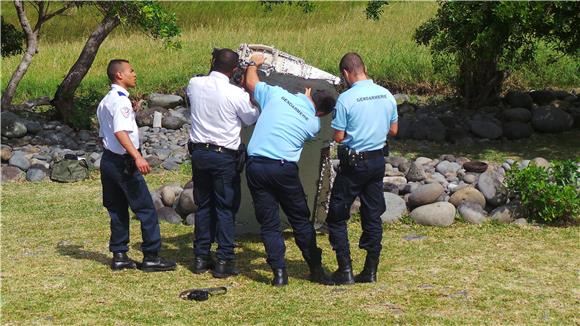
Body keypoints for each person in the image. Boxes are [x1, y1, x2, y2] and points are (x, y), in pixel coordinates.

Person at [244, 53, 337, 287]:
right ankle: (315, 269)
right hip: (284, 170)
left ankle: (279, 273)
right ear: (322, 113)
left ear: (308, 91)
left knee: (269, 222)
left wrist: (254, 62)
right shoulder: (313, 123)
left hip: (257, 165)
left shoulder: (276, 95)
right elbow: (308, 116)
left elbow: (251, 83)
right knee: (300, 220)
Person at [326, 52, 398, 284]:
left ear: (346, 73)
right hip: (377, 161)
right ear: (364, 68)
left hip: (354, 164)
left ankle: (344, 269)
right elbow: (394, 130)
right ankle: (371, 269)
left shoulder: (346, 99)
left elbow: (338, 136)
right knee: (373, 214)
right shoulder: (386, 95)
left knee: (337, 214)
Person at [187, 48, 259, 278]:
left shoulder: (194, 84)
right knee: (225, 208)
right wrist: (249, 93)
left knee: (204, 205)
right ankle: (224, 259)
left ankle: (200, 257)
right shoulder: (235, 94)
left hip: (199, 153)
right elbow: (250, 117)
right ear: (235, 70)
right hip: (223, 155)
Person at [97, 59, 176, 272]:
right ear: (119, 75)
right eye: (131, 71)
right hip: (124, 161)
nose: (135, 74)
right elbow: (120, 132)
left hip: (108, 159)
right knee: (146, 209)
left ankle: (119, 254)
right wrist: (137, 157)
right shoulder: (121, 101)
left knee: (117, 209)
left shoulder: (107, 100)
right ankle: (151, 255)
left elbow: (105, 132)